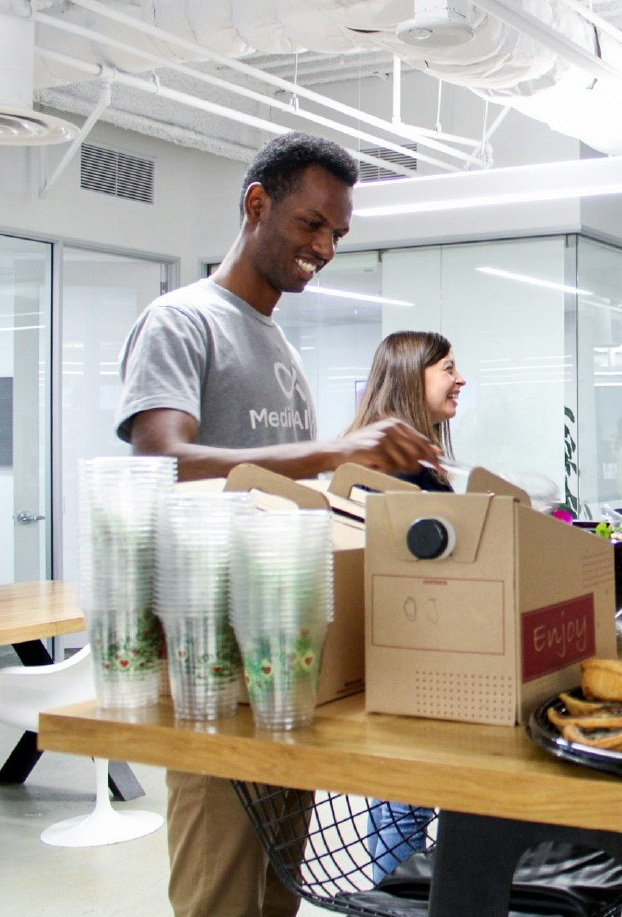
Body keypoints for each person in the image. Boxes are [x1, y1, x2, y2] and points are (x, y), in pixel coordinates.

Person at [115, 131, 442, 917]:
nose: (324, 247)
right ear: (257, 205)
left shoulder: (280, 345)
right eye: (311, 224)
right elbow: (161, 455)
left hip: (283, 647)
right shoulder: (181, 319)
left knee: (276, 894)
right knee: (222, 889)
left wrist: (370, 483)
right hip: (212, 650)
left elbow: (285, 492)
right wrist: (330, 447)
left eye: (337, 234)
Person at [343, 330, 466, 882]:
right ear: (411, 379)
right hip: (407, 663)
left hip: (428, 658)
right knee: (402, 806)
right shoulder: (386, 469)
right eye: (447, 367)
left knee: (408, 803)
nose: (460, 379)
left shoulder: (419, 463)